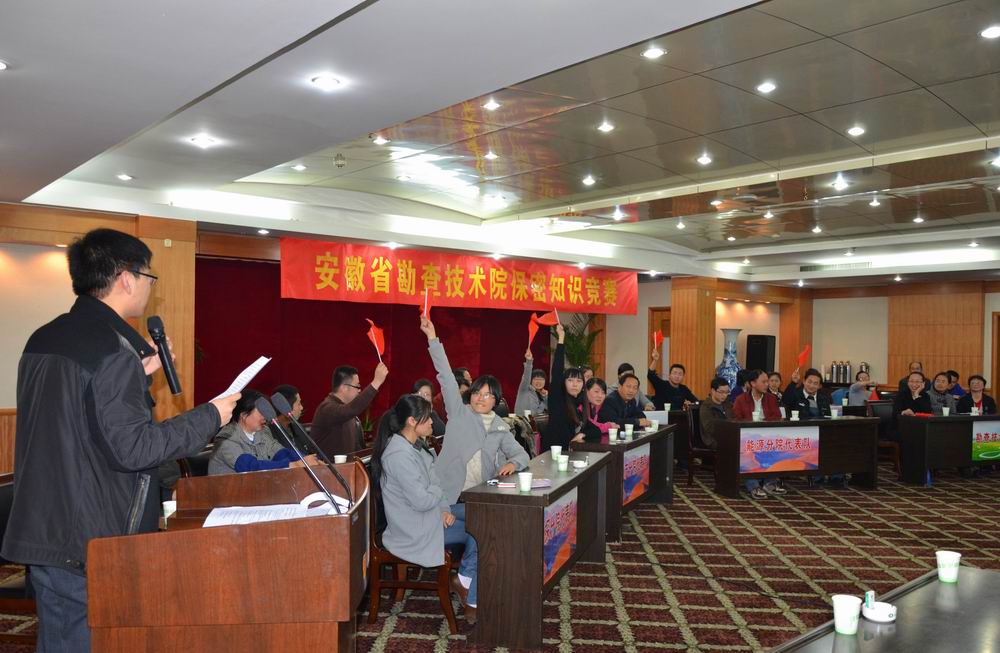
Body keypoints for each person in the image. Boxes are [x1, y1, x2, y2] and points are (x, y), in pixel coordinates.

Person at [1, 228, 239, 652]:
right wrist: (210, 416)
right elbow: (133, 449)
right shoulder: (113, 351)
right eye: (149, 277)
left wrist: (135, 376)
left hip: (48, 524)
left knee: (59, 637)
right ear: (127, 278)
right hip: (89, 534)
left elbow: (78, 419)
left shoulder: (45, 336)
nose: (150, 287)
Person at [369, 394, 479, 624]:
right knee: (480, 531)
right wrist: (437, 498)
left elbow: (434, 485)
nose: (432, 422)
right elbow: (421, 500)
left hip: (428, 513)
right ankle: (471, 596)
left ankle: (464, 580)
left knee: (482, 515)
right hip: (414, 528)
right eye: (427, 418)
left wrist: (443, 509)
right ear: (412, 421)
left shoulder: (415, 447)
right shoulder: (398, 455)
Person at [421, 315, 529, 515]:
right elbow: (446, 377)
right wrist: (433, 339)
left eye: (487, 395)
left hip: (480, 498)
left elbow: (522, 454)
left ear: (496, 401)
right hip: (448, 499)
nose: (480, 398)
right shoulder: (458, 412)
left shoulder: (499, 427)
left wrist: (512, 463)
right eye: (477, 392)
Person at [208, 390, 299, 475]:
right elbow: (250, 467)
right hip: (229, 486)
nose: (265, 416)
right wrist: (290, 465)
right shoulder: (226, 438)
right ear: (244, 415)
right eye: (261, 412)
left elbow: (282, 453)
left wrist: (302, 460)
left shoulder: (263, 431)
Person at [311, 362, 389, 457]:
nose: (359, 390)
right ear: (344, 388)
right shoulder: (326, 409)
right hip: (327, 466)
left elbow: (357, 450)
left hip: (349, 465)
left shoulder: (349, 414)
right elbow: (351, 409)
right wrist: (376, 382)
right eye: (357, 386)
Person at [540, 324, 588, 451]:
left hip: (569, 452)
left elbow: (590, 428)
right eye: (570, 380)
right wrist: (561, 338)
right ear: (563, 382)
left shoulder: (581, 403)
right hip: (552, 453)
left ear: (583, 385)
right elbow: (557, 371)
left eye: (579, 381)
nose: (575, 384)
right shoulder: (558, 397)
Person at [270, 383, 313, 453]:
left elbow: (311, 451)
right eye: (298, 404)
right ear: (285, 406)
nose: (301, 408)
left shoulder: (298, 427)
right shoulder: (269, 434)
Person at [699, 377, 733, 449]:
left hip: (728, 436)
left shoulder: (728, 404)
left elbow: (734, 419)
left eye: (727, 392)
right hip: (712, 440)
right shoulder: (706, 407)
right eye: (721, 392)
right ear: (713, 391)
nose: (724, 395)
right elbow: (710, 428)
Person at [577, 378, 615, 443]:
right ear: (586, 391)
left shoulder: (597, 406)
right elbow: (588, 428)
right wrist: (607, 426)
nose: (600, 396)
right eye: (596, 391)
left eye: (603, 393)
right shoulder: (579, 406)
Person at [514, 348, 548, 417]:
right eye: (536, 379)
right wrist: (529, 361)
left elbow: (538, 413)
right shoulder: (525, 388)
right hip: (520, 422)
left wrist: (545, 398)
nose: (539, 381)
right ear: (531, 380)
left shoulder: (539, 395)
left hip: (533, 423)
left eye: (541, 379)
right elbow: (526, 376)